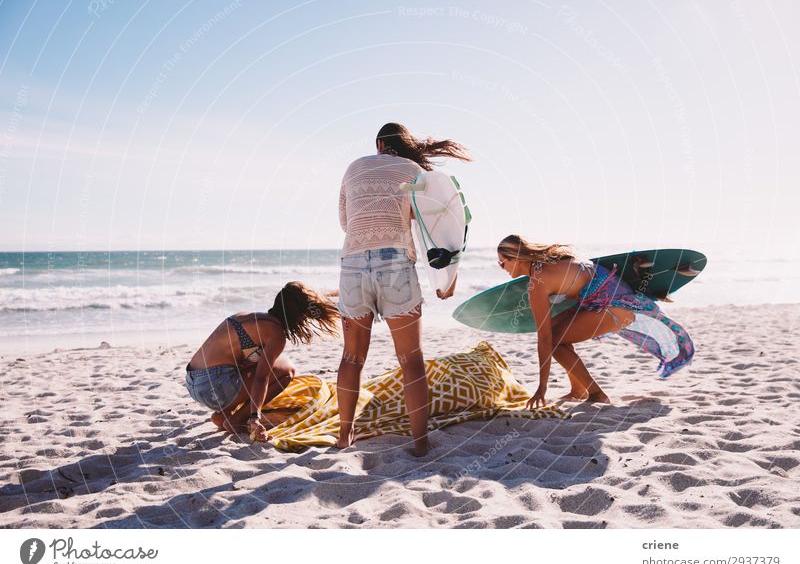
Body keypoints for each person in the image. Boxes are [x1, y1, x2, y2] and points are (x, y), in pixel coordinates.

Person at [336, 122, 473, 456]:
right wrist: (447, 279)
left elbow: (345, 221)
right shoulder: (414, 171)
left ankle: (343, 436)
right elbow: (437, 229)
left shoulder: (353, 167)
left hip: (352, 266)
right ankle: (420, 442)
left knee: (352, 357)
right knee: (411, 359)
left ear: (379, 144)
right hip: (395, 264)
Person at [497, 234, 694, 406]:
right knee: (557, 328)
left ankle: (596, 393)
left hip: (615, 308)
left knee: (555, 341)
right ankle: (578, 390)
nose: (502, 268)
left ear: (515, 258)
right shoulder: (555, 261)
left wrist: (542, 387)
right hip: (617, 300)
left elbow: (545, 339)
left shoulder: (537, 283)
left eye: (502, 263)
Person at [184, 281, 339, 442]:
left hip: (193, 383)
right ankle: (237, 420)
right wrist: (254, 417)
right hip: (216, 386)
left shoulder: (246, 317)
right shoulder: (276, 334)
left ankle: (223, 413)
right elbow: (260, 378)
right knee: (287, 370)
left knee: (263, 364)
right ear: (298, 316)